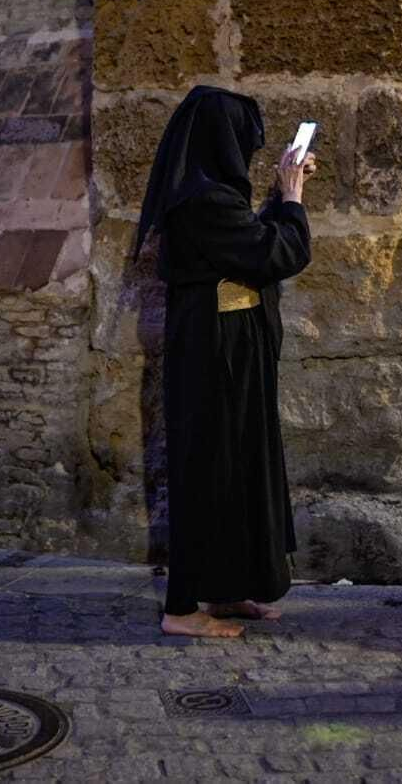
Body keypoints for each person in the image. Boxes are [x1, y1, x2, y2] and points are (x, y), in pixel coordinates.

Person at [131, 85, 317, 638]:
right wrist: (291, 197)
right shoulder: (202, 202)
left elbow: (249, 243)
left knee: (239, 467)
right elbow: (275, 252)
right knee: (209, 471)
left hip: (232, 348)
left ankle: (228, 588)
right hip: (216, 355)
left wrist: (285, 196)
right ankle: (182, 609)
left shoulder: (210, 198)